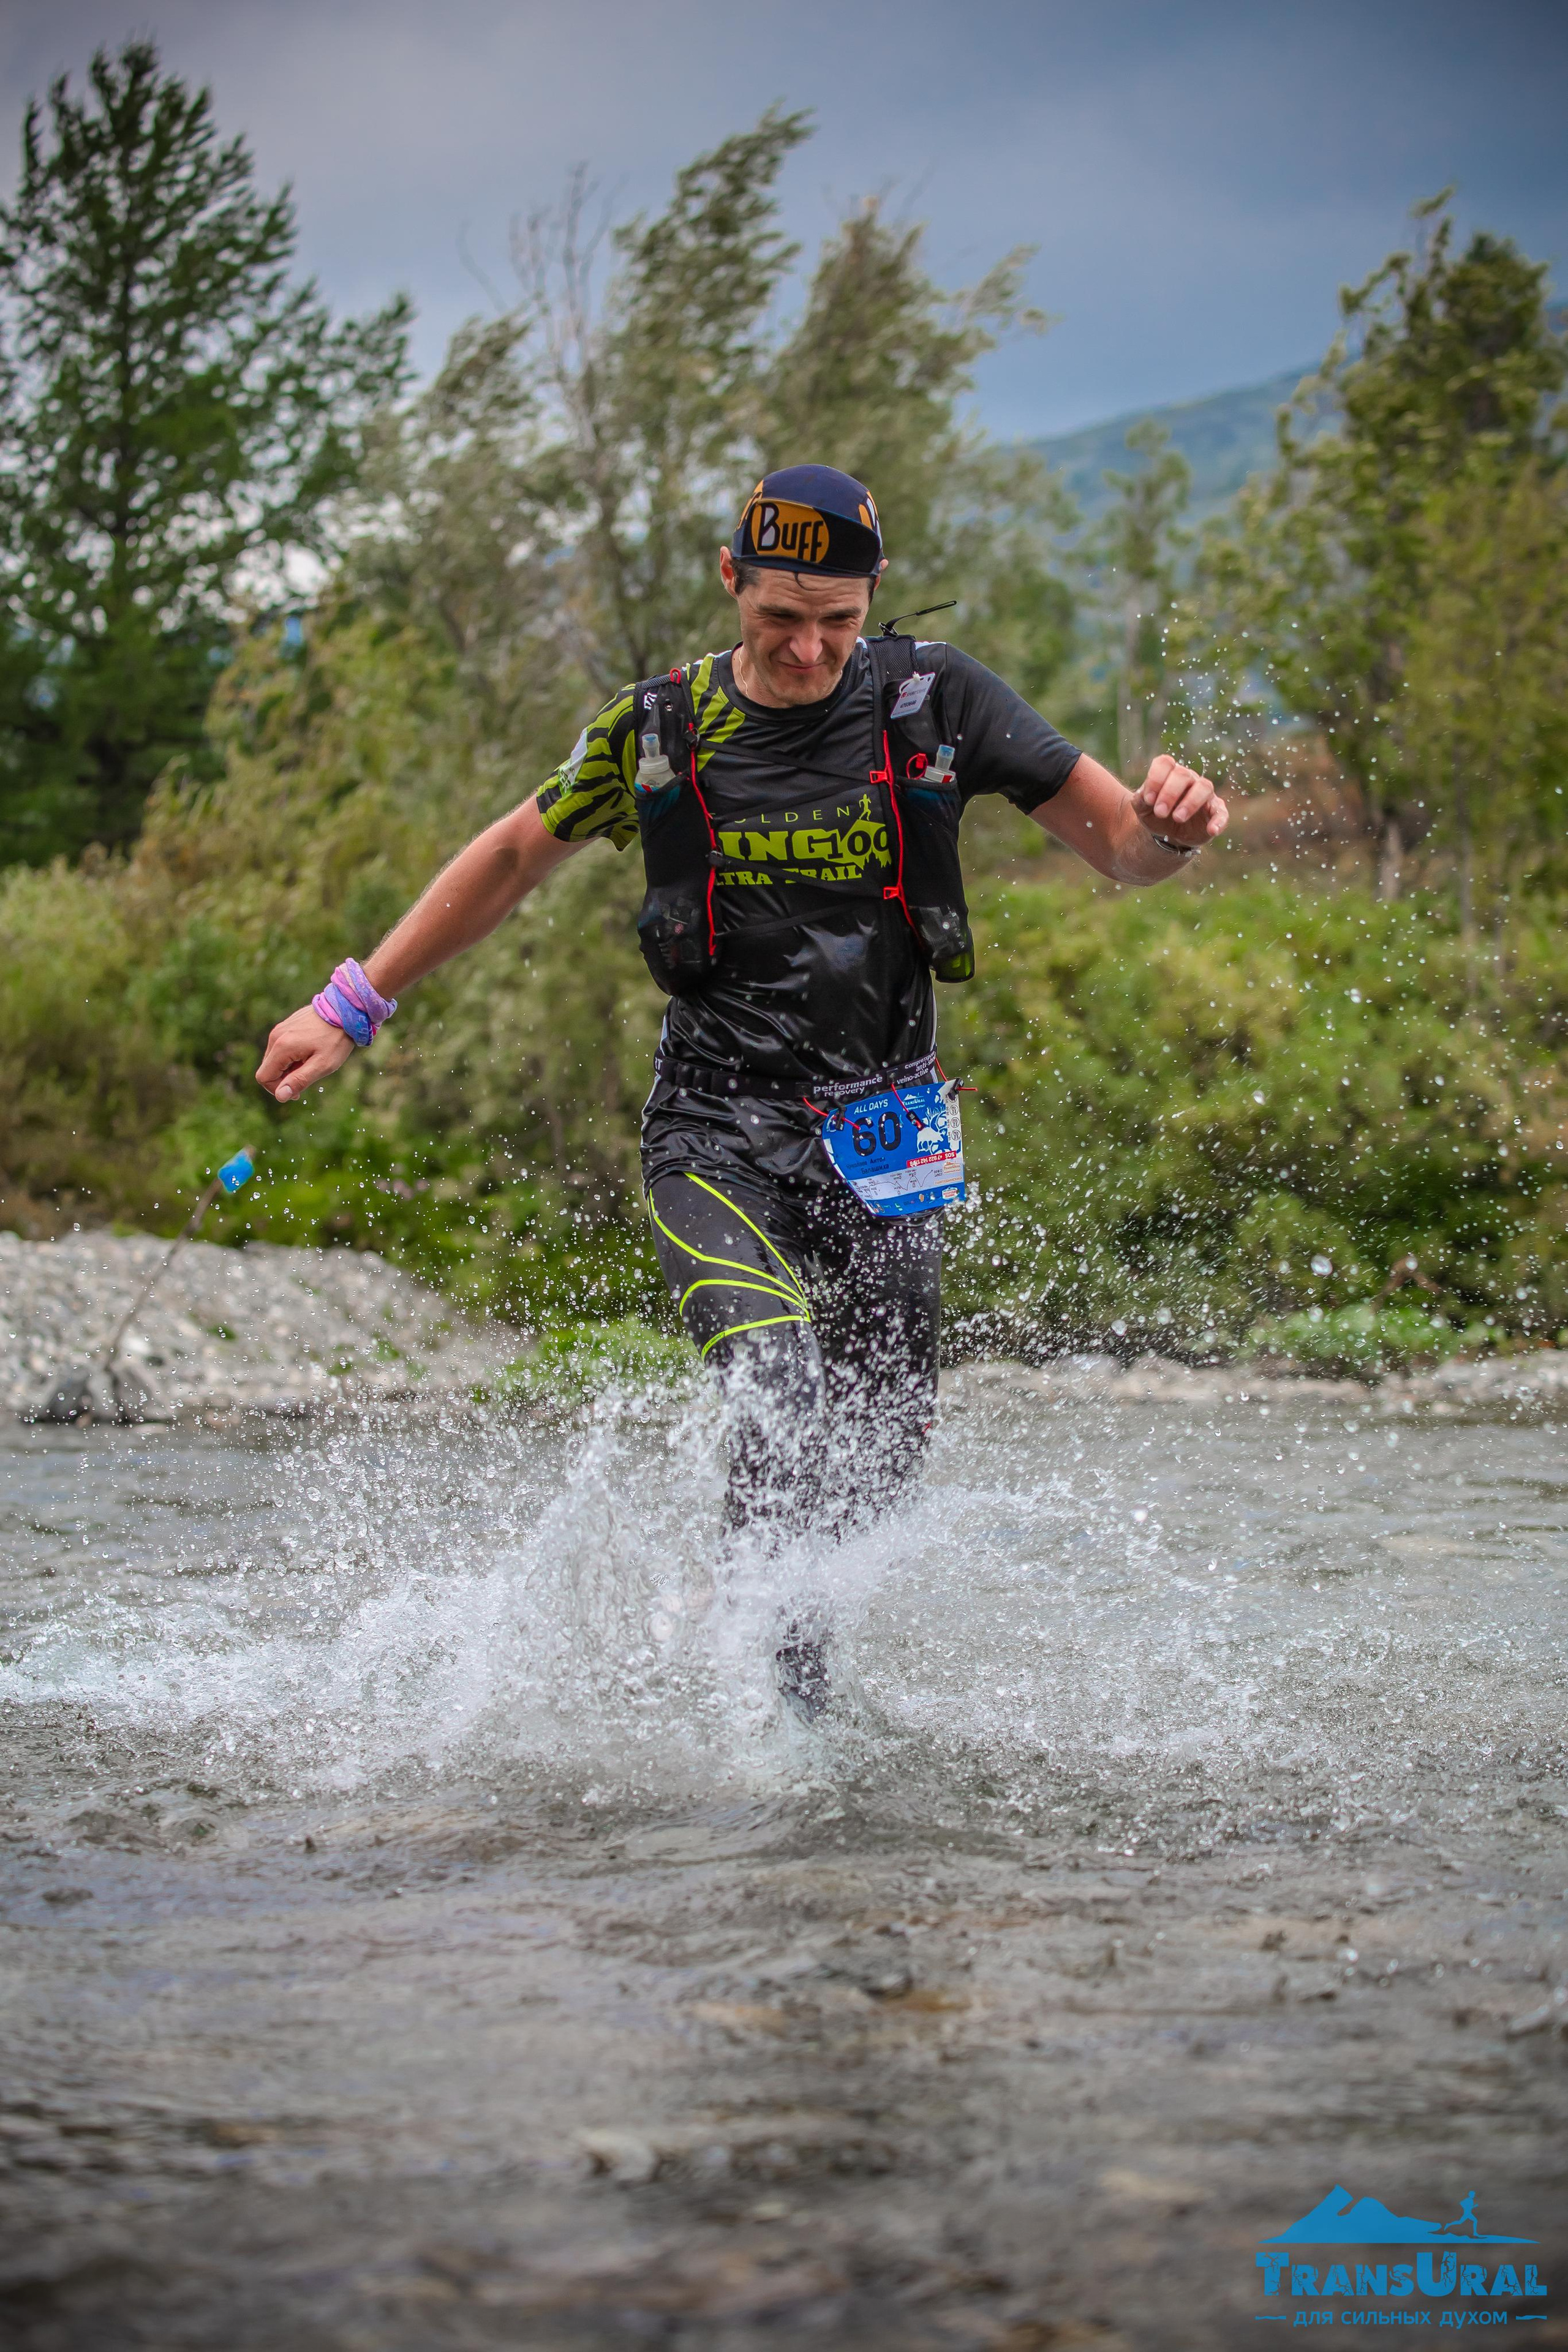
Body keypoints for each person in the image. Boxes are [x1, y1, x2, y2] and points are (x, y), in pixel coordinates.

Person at [256, 464, 1227, 1713]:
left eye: (836, 617)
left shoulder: (937, 700)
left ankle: (767, 1633)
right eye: (779, 617)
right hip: (713, 1129)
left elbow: (1122, 852)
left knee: (879, 1454)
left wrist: (1176, 830)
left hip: (887, 1127)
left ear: (870, 596)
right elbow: (508, 857)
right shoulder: (657, 729)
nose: (810, 646)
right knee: (773, 1383)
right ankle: (774, 1714)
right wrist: (352, 1005)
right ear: (730, 583)